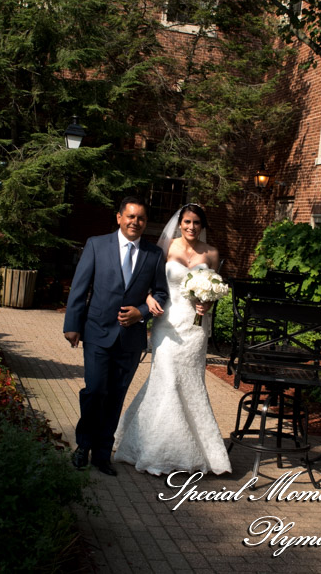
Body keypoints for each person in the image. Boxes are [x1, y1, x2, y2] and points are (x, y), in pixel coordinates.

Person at [113, 203, 232, 475]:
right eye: (187, 222)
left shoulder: (211, 253)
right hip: (167, 323)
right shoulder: (164, 248)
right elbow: (144, 281)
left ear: (203, 226)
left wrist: (208, 305)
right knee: (165, 379)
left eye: (197, 223)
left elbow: (215, 290)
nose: (191, 227)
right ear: (180, 223)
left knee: (190, 383)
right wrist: (148, 299)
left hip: (195, 329)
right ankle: (155, 448)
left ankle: (194, 450)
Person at [64, 196, 168, 476]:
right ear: (119, 217)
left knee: (115, 396)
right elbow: (80, 286)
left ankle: (101, 454)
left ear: (145, 223)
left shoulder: (153, 254)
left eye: (141, 218)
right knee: (95, 390)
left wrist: (142, 312)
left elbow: (161, 293)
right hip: (97, 332)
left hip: (130, 339)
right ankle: (83, 445)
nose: (136, 222)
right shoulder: (97, 244)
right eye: (131, 216)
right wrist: (72, 324)